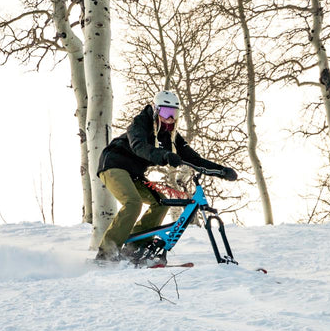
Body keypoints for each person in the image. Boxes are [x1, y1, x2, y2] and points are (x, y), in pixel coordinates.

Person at [94, 90, 237, 265]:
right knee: (133, 203)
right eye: (165, 113)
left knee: (160, 203)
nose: (170, 119)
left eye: (174, 114)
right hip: (113, 165)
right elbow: (139, 146)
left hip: (134, 173)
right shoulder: (139, 124)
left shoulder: (170, 135)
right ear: (155, 110)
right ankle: (106, 255)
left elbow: (193, 158)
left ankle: (134, 249)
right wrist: (164, 155)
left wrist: (221, 170)